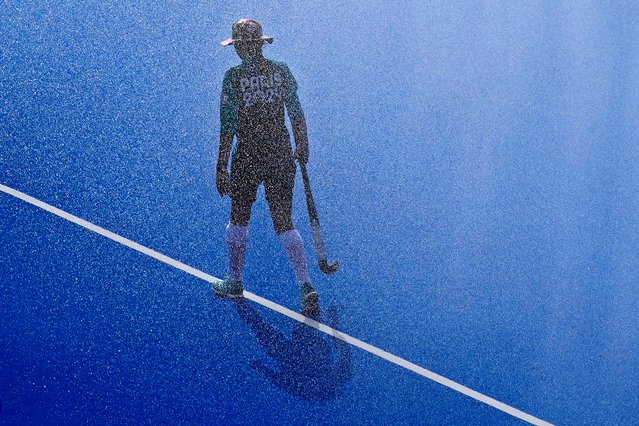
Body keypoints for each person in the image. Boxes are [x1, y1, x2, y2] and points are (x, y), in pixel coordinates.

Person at [214, 19, 318, 312]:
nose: (234, 51)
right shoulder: (281, 70)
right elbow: (296, 112)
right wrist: (303, 144)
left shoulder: (233, 78)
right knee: (284, 220)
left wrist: (221, 165)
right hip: (281, 152)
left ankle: (235, 282)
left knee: (239, 216)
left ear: (243, 46)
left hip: (248, 154)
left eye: (236, 45)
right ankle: (305, 284)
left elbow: (228, 126)